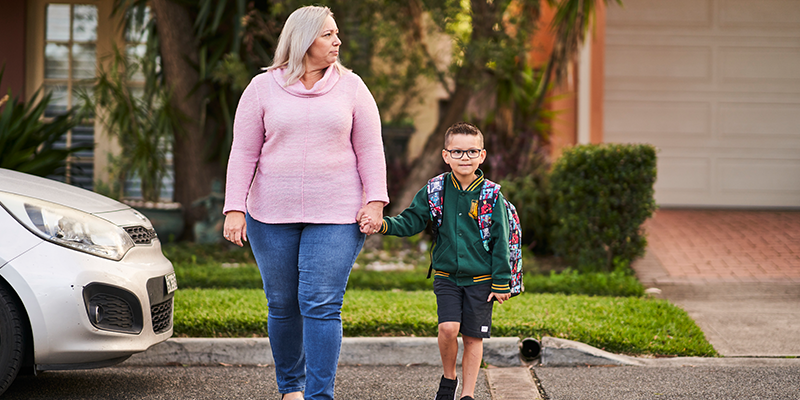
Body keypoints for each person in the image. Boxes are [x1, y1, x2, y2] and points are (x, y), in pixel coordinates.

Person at [222, 6, 387, 400]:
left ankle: (319, 395)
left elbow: (370, 149)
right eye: (328, 35)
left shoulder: (352, 87)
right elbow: (243, 152)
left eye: (336, 34)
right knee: (282, 304)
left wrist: (376, 201)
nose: (338, 41)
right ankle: (290, 389)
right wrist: (234, 207)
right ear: (303, 40)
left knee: (321, 303)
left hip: (336, 215)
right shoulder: (262, 88)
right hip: (270, 214)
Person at [361, 122, 511, 400]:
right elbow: (410, 221)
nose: (464, 158)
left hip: (481, 279)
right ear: (445, 155)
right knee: (448, 328)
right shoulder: (435, 190)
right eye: (457, 152)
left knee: (472, 337)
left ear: (482, 155)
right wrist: (382, 225)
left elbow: (503, 240)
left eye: (471, 152)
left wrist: (502, 282)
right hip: (447, 277)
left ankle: (467, 394)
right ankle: (448, 378)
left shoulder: (492, 195)